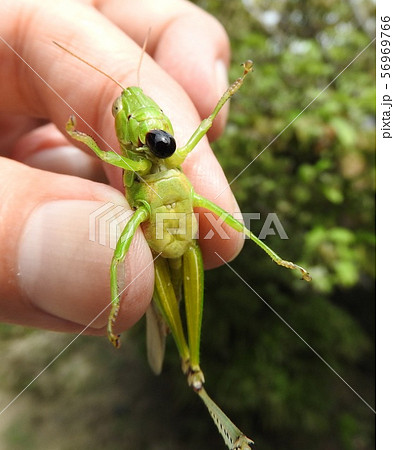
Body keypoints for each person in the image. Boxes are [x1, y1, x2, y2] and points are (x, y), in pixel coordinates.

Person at [0, 0, 244, 338]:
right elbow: (109, 155)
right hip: (156, 251)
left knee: (224, 224)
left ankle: (196, 358)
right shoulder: (131, 161)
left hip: (189, 247)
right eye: (121, 106)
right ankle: (185, 361)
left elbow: (203, 125)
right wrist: (82, 137)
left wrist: (230, 90)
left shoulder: (173, 151)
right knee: (126, 256)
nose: (134, 103)